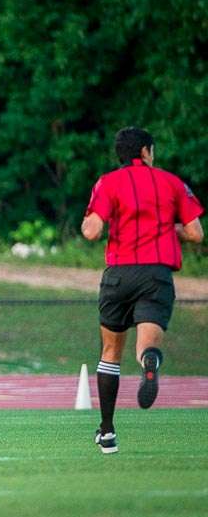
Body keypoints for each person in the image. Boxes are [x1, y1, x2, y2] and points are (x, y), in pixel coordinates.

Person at [81, 127, 203, 454]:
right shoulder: (172, 182)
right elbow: (195, 232)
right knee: (145, 346)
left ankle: (107, 432)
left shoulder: (108, 182)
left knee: (110, 354)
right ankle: (149, 361)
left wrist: (90, 222)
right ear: (147, 151)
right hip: (156, 274)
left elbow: (92, 231)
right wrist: (167, 227)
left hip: (119, 275)